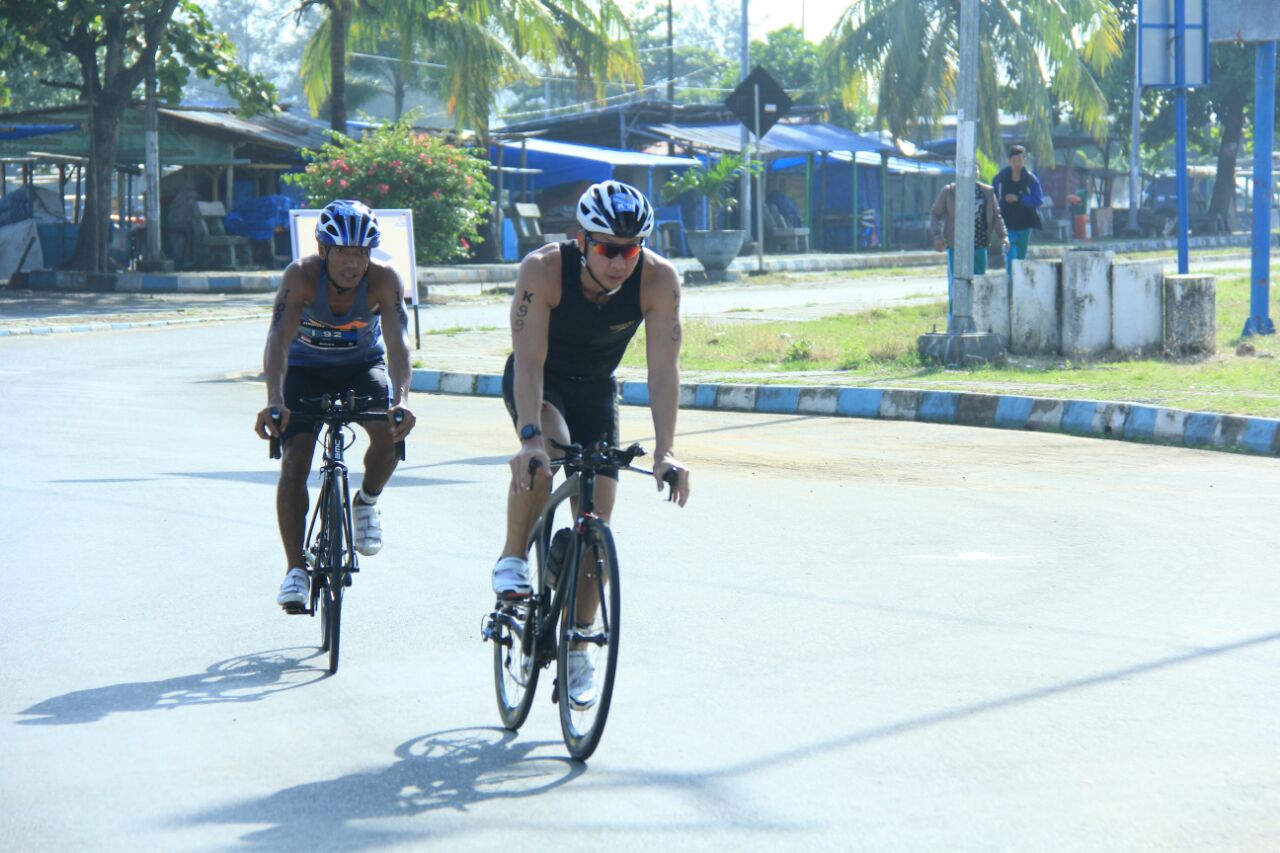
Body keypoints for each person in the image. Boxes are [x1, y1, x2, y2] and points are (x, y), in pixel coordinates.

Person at [492, 180, 692, 708]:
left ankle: (580, 643)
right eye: (608, 248)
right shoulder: (543, 270)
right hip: (542, 382)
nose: (620, 261)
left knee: (596, 520)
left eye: (632, 249)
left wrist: (666, 450)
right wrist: (530, 439)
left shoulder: (659, 280)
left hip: (597, 390)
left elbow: (663, 371)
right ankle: (513, 558)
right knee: (549, 452)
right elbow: (529, 362)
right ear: (582, 240)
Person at [254, 200, 416, 611]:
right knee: (295, 458)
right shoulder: (301, 277)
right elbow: (278, 339)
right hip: (305, 369)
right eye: (343, 251)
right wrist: (274, 400)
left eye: (361, 252)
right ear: (324, 250)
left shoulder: (384, 280)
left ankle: (367, 501)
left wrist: (401, 400)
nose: (353, 262)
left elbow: (398, 344)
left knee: (387, 433)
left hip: (362, 366)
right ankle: (295, 569)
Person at [930, 181, 1009, 322]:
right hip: (957, 246)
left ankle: (977, 320)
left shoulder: (986, 192)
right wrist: (937, 236)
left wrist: (1003, 236)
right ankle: (954, 322)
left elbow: (997, 216)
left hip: (979, 245)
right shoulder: (950, 191)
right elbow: (935, 213)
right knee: (957, 284)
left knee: (978, 283)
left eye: (974, 167)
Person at [992, 144, 1044, 279]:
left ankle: (1019, 287)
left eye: (1020, 161)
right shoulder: (1000, 178)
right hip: (1007, 225)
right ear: (1009, 161)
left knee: (1020, 259)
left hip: (1025, 225)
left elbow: (1038, 200)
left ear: (1024, 161)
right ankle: (1010, 287)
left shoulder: (1031, 179)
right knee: (1010, 258)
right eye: (1014, 161)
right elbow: (993, 196)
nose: (1017, 164)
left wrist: (1019, 198)